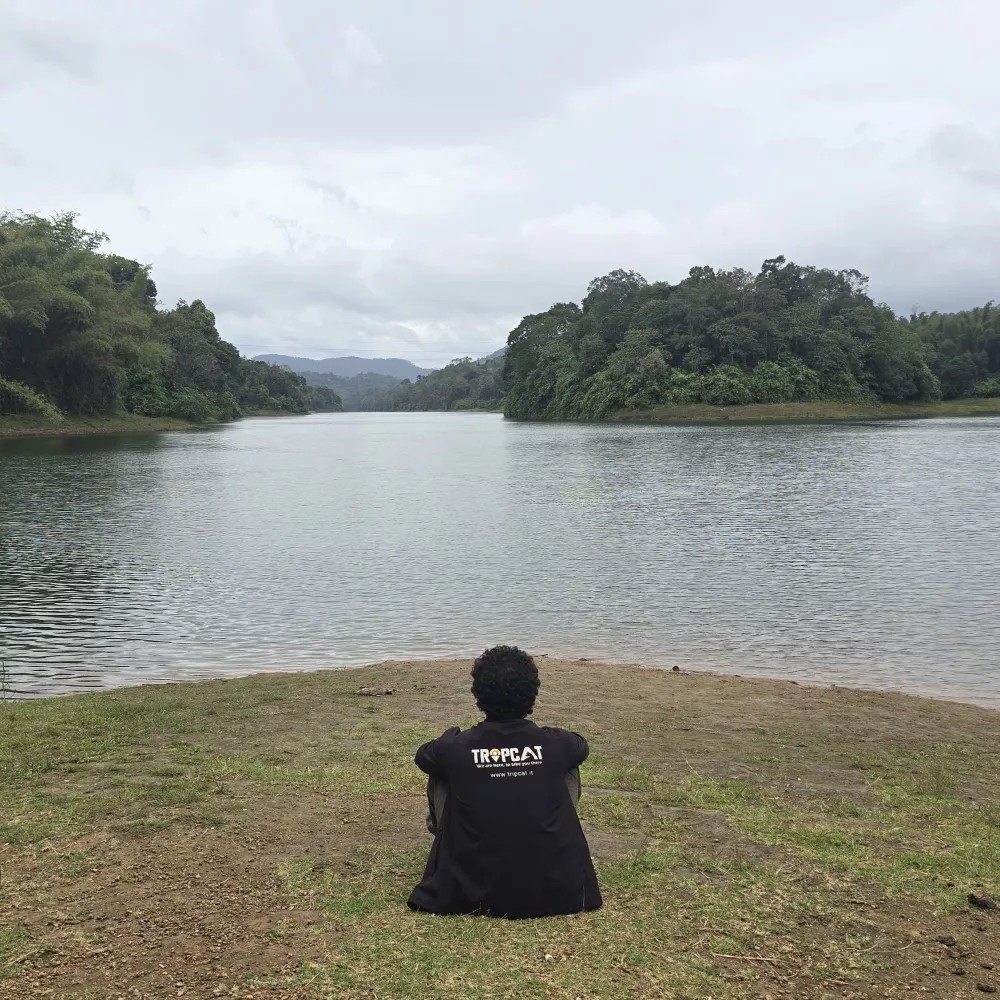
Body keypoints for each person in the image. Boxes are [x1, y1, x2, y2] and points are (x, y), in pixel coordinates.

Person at [407, 645, 602, 919]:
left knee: (441, 767)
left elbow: (423, 755)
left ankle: (451, 838)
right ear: (532, 691)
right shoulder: (558, 743)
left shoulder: (455, 747)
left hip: (467, 886)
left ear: (477, 693)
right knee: (567, 763)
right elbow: (581, 746)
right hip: (558, 889)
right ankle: (545, 839)